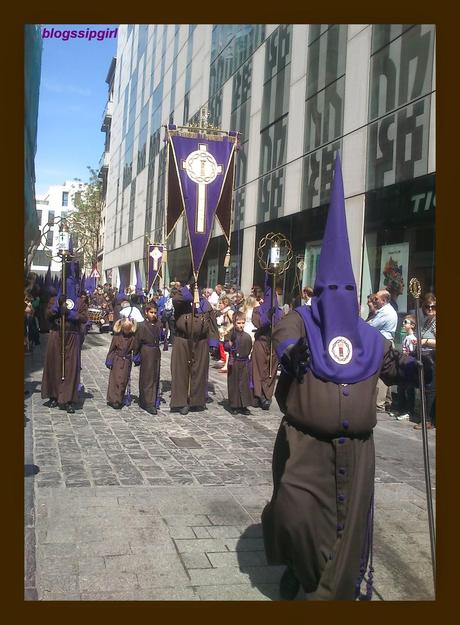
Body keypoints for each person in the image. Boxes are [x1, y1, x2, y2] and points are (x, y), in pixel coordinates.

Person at [261, 155, 432, 601]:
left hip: (357, 453)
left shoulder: (370, 338)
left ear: (355, 295)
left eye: (345, 292)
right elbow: (283, 330)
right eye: (328, 291)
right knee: (293, 515)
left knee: (346, 532)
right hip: (304, 446)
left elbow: (396, 369)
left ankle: (328, 593)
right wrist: (291, 350)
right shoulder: (303, 321)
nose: (337, 299)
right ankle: (299, 566)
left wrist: (422, 367)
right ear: (319, 292)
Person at [41, 274, 88, 413]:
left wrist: (70, 314)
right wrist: (56, 308)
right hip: (56, 335)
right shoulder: (54, 299)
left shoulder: (80, 301)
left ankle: (68, 398)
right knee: (54, 364)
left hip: (72, 336)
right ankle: (54, 395)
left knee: (70, 367)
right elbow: (47, 315)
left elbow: (85, 318)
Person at [170, 285, 219, 415]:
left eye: (198, 286)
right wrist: (189, 289)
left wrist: (214, 343)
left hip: (201, 341)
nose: (196, 289)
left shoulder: (205, 304)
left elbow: (212, 324)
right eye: (194, 286)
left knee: (199, 371)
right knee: (181, 371)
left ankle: (196, 401)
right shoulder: (182, 300)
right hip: (183, 340)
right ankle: (181, 402)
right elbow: (176, 299)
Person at [251, 283, 282, 410]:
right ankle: (259, 395)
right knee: (258, 368)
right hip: (261, 341)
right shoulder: (257, 310)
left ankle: (267, 395)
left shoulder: (279, 311)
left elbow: (281, 326)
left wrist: (275, 316)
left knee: (271, 370)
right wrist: (267, 315)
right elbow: (258, 322)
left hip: (273, 343)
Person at [367, 289, 398, 412]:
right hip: (383, 343)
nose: (374, 300)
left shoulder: (386, 312)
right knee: (387, 371)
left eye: (377, 299)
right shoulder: (382, 311)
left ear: (384, 300)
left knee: (381, 373)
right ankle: (387, 401)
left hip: (384, 343)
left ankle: (379, 404)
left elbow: (371, 325)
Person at [133, 303, 162, 415]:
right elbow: (137, 341)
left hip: (155, 352)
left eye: (155, 312)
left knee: (155, 376)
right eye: (151, 312)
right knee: (147, 377)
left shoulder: (158, 324)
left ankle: (153, 399)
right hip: (146, 351)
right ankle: (148, 402)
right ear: (146, 312)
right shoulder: (142, 325)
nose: (153, 315)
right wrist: (136, 355)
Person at [413, 292, 436, 430]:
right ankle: (429, 419)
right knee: (427, 388)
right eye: (427, 307)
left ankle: (427, 420)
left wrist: (424, 341)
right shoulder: (428, 320)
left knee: (430, 390)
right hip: (426, 359)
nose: (431, 309)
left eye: (433, 306)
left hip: (434, 358)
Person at [224, 311, 254, 415]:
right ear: (234, 323)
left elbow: (249, 347)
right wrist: (230, 343)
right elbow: (226, 347)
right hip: (234, 362)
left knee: (244, 384)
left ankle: (244, 405)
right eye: (238, 323)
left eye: (243, 323)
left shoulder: (247, 336)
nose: (241, 325)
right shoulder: (231, 335)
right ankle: (234, 405)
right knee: (234, 383)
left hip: (244, 362)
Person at [105, 317, 137, 409]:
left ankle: (119, 399)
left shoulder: (132, 338)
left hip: (126, 361)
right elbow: (112, 349)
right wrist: (109, 360)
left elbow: (134, 349)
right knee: (115, 380)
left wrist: (135, 357)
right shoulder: (116, 337)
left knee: (123, 380)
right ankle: (113, 399)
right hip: (117, 360)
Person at [394, 314, 417, 421]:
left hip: (409, 364)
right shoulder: (406, 337)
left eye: (405, 322)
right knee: (401, 387)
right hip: (404, 364)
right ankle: (401, 409)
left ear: (412, 325)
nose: (403, 324)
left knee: (408, 388)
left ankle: (409, 411)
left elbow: (411, 352)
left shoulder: (412, 338)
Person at [215, 296, 234, 372]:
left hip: (228, 333)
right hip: (223, 333)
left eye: (220, 303)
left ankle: (227, 365)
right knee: (224, 348)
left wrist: (227, 330)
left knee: (227, 349)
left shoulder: (229, 312)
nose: (219, 305)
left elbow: (234, 322)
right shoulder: (222, 312)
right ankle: (226, 364)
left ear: (225, 304)